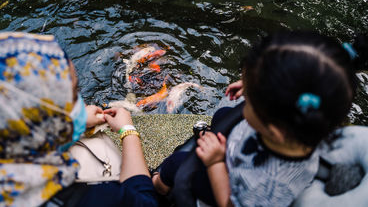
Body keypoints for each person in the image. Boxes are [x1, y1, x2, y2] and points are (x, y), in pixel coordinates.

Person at [153, 31, 364, 207]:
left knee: (177, 164)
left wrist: (216, 162)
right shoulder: (304, 123)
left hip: (229, 181)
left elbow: (229, 203)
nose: (244, 99)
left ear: (273, 130)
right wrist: (253, 86)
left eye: (250, 100)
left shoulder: (269, 186)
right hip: (241, 149)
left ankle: (159, 188)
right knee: (222, 115)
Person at [0, 32, 157, 207]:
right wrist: (128, 130)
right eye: (73, 95)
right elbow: (145, 200)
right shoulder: (93, 199)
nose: (80, 103)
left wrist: (75, 122)